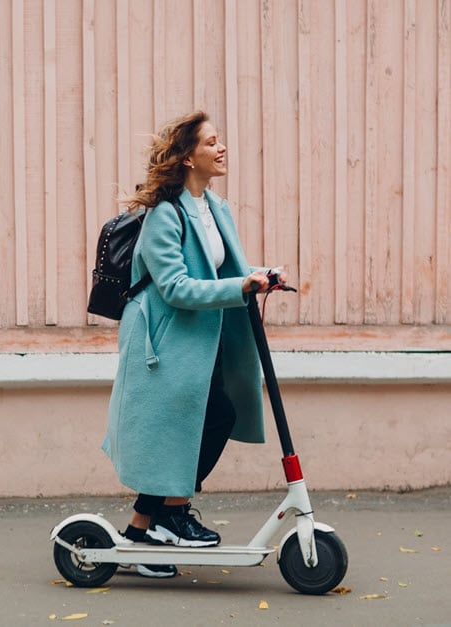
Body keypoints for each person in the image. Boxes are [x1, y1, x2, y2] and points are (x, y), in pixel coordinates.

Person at [102, 111, 285, 578]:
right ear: (187, 157)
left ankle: (141, 534)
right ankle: (173, 513)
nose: (221, 149)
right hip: (163, 342)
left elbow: (224, 269)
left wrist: (261, 276)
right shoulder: (165, 215)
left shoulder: (215, 207)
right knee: (206, 419)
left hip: (202, 339)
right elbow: (176, 287)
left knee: (199, 423)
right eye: (211, 142)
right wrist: (242, 287)